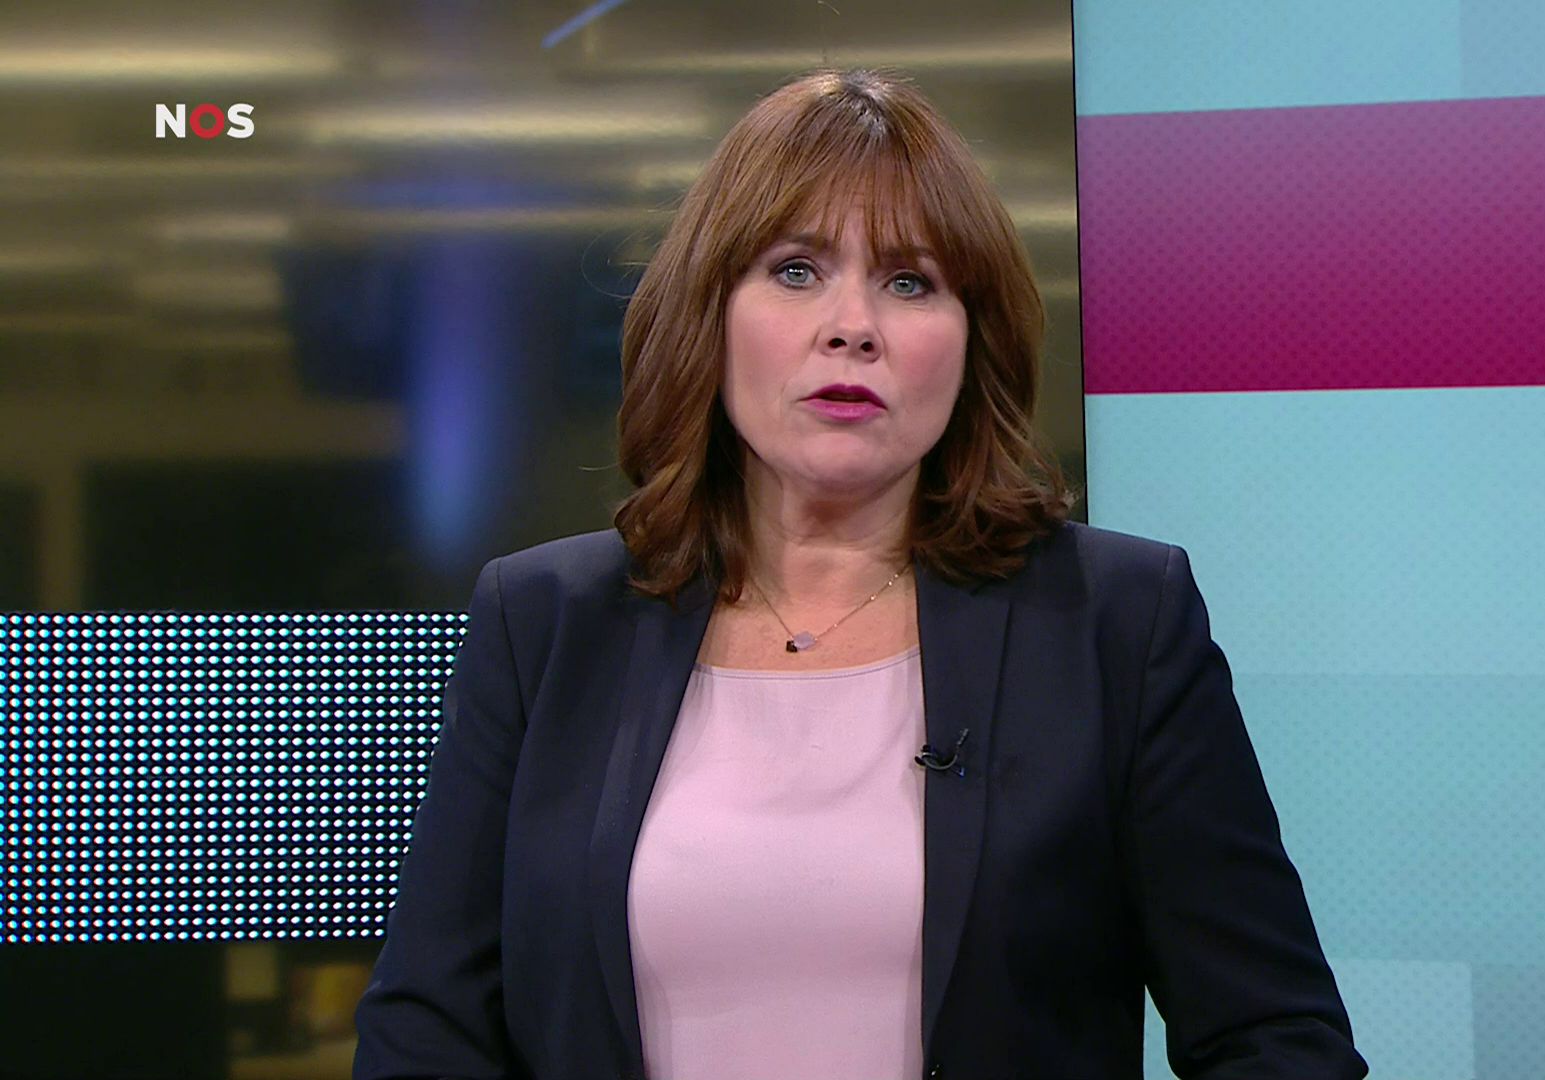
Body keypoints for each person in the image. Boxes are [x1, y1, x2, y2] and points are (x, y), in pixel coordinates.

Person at [352, 66, 1365, 1080]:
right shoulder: (544, 622)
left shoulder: (1116, 622)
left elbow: (1276, 1039)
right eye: (796, 270)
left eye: (910, 281)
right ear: (710, 313)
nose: (853, 325)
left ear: (972, 342)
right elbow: (427, 1031)